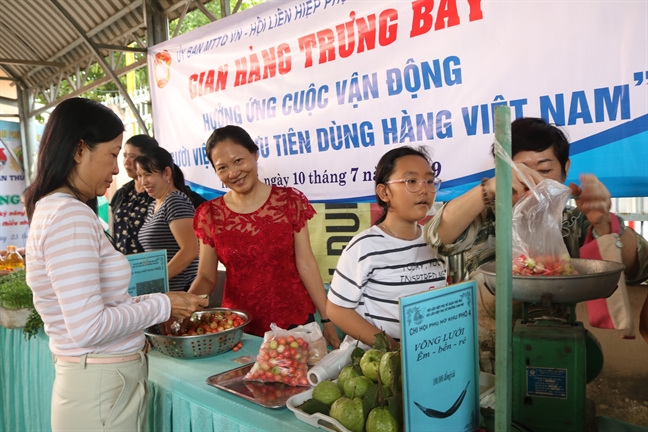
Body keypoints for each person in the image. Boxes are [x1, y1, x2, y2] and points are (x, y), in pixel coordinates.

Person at [23, 97, 208, 432]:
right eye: (113, 154)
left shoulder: (61, 210)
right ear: (79, 150)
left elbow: (100, 307)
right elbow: (88, 328)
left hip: (103, 385)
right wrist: (162, 303)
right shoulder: (70, 217)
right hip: (100, 390)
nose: (116, 169)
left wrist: (148, 310)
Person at [425, 117, 648, 371]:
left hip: (551, 353)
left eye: (543, 170)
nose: (531, 181)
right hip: (475, 360)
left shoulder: (574, 222)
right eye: (518, 170)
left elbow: (638, 267)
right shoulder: (478, 216)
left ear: (565, 169)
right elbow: (436, 236)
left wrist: (604, 224)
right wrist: (488, 190)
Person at [188, 125, 340, 348]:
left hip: (294, 324)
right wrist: (184, 306)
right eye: (222, 168)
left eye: (239, 161)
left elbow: (306, 264)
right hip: (240, 330)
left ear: (255, 154)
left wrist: (327, 319)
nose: (233, 173)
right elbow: (207, 278)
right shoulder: (209, 214)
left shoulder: (288, 202)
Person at [327, 146, 447, 348]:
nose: (424, 189)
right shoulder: (363, 247)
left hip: (430, 356)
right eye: (411, 181)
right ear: (384, 192)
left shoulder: (435, 240)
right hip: (380, 368)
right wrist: (392, 349)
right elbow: (337, 310)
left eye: (429, 181)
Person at [136, 147, 200, 292]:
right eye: (139, 176)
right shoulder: (154, 204)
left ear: (167, 173)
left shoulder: (175, 201)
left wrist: (156, 279)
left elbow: (190, 250)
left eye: (148, 174)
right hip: (163, 295)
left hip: (181, 293)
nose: (143, 182)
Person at [110, 134, 158, 255]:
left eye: (132, 156)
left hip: (152, 268)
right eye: (125, 156)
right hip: (123, 267)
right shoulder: (121, 194)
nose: (127, 162)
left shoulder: (158, 192)